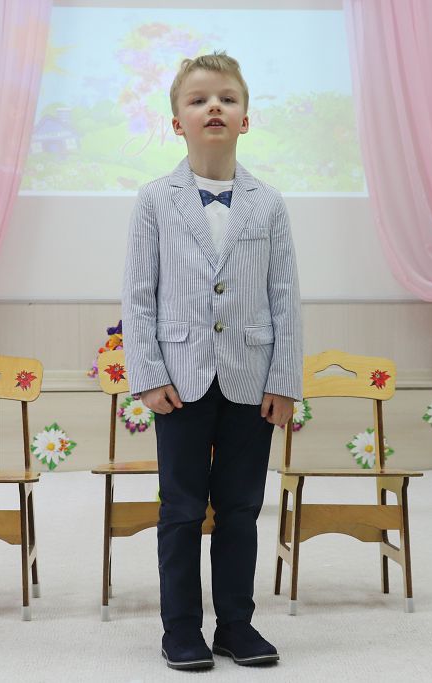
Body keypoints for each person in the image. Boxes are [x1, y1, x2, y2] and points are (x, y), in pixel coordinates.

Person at [121, 51, 303, 671]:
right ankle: (180, 630)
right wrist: (148, 376)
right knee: (180, 509)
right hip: (180, 381)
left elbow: (285, 298)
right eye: (198, 100)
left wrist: (284, 380)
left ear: (245, 118)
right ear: (178, 122)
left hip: (252, 380)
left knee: (242, 508)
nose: (214, 107)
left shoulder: (269, 203)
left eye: (226, 98)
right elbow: (138, 297)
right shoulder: (154, 200)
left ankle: (236, 625)